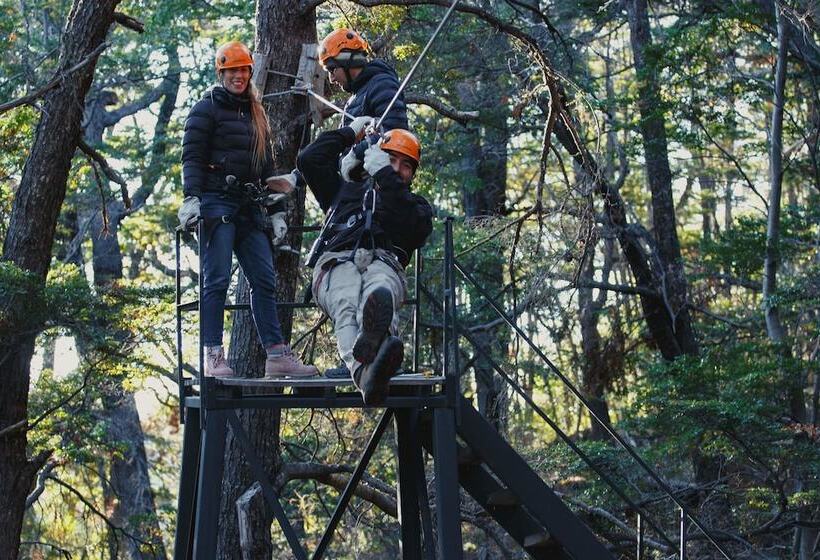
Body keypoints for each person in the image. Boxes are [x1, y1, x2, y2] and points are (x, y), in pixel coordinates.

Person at [178, 40, 318, 379]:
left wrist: (276, 212)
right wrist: (190, 199)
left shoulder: (256, 112)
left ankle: (277, 355)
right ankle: (213, 357)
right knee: (217, 280)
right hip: (215, 203)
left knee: (264, 279)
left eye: (243, 70)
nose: (238, 76)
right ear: (221, 72)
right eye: (232, 71)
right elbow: (192, 158)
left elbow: (267, 167)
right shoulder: (205, 109)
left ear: (249, 72)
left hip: (249, 205)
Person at [296, 118, 433, 405]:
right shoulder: (342, 190)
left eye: (405, 165)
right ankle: (370, 367)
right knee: (346, 299)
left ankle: (370, 361)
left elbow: (416, 229)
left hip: (385, 262)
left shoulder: (414, 207)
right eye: (391, 159)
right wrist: (351, 133)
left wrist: (385, 174)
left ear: (413, 174)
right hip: (336, 263)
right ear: (377, 156)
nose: (397, 168)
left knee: (379, 289)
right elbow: (309, 159)